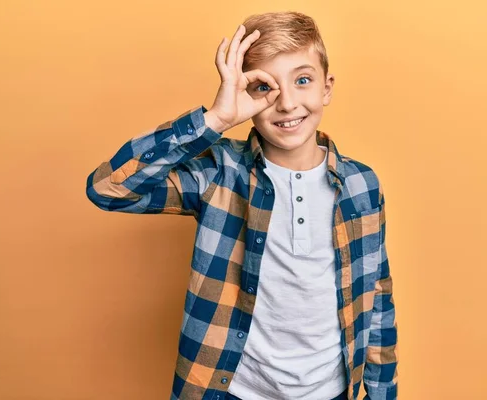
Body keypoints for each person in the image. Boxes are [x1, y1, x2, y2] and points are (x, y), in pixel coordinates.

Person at [86, 11, 398, 400]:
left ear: (326, 88)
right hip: (235, 391)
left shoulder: (361, 185)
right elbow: (109, 187)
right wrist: (216, 119)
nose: (286, 103)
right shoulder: (220, 173)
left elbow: (378, 294)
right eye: (265, 87)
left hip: (331, 392)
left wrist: (382, 391)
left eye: (302, 80)